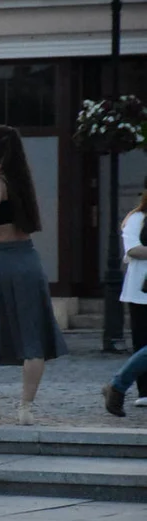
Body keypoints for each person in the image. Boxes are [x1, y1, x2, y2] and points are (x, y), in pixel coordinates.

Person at [0, 125, 67, 425]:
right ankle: (26, 408)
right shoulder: (24, 183)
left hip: (0, 263)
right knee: (33, 338)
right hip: (28, 260)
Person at [106, 176, 147, 416]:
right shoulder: (136, 219)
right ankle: (138, 389)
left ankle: (118, 385)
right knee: (142, 341)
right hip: (140, 290)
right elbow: (132, 249)